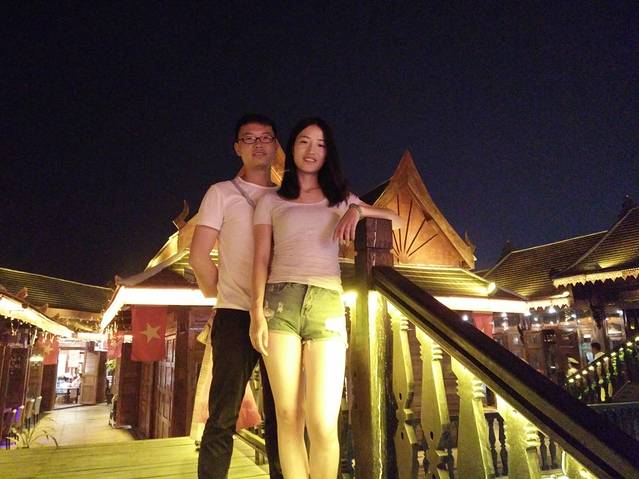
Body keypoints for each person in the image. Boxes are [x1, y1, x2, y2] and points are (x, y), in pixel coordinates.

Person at [250, 117, 402, 478]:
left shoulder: (341, 200)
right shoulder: (270, 200)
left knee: (322, 421)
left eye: (320, 144)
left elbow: (395, 220)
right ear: (292, 147)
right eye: (304, 141)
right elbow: (260, 259)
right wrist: (256, 314)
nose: (311, 150)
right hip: (280, 303)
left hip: (326, 305)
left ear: (327, 153)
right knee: (288, 415)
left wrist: (358, 209)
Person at [190, 114, 282, 479]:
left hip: (282, 317)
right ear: (237, 148)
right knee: (224, 416)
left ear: (276, 146)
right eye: (249, 138)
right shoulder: (222, 193)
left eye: (266, 137)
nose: (259, 144)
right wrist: (218, 291)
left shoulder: (288, 197)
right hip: (235, 314)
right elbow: (199, 255)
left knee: (284, 415)